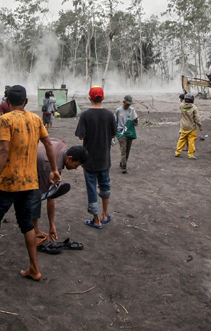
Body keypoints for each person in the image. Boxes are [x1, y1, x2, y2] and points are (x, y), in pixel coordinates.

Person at [0, 85, 61, 282]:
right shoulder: (35, 118)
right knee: (26, 224)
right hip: (30, 182)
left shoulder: (6, 119)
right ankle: (34, 268)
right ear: (26, 102)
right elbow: (48, 144)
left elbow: (4, 151)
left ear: (7, 101)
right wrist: (54, 170)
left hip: (8, 181)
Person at [75, 86, 116, 229]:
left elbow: (81, 136)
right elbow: (113, 135)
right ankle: (105, 214)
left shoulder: (86, 115)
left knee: (92, 188)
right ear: (102, 98)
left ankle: (96, 219)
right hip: (104, 158)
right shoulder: (110, 115)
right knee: (105, 185)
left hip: (89, 159)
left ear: (90, 98)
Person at [32, 140, 88, 243]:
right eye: (75, 165)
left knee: (36, 195)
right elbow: (49, 196)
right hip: (27, 163)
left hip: (35, 155)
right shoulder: (51, 167)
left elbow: (52, 194)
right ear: (69, 158)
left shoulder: (63, 147)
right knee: (35, 197)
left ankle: (35, 230)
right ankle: (31, 235)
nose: (75, 169)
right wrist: (51, 225)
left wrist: (52, 225)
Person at [115, 95, 139, 174]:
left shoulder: (132, 110)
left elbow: (136, 123)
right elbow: (115, 122)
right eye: (127, 104)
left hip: (129, 132)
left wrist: (135, 120)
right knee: (123, 150)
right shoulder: (118, 110)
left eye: (129, 104)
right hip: (121, 132)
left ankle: (122, 162)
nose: (128, 105)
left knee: (127, 150)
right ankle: (124, 166)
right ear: (123, 102)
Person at [175, 93, 202, 159]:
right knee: (191, 141)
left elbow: (183, 105)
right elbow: (197, 118)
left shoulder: (181, 106)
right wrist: (200, 126)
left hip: (183, 126)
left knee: (181, 139)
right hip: (191, 127)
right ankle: (191, 155)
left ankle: (177, 152)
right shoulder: (194, 108)